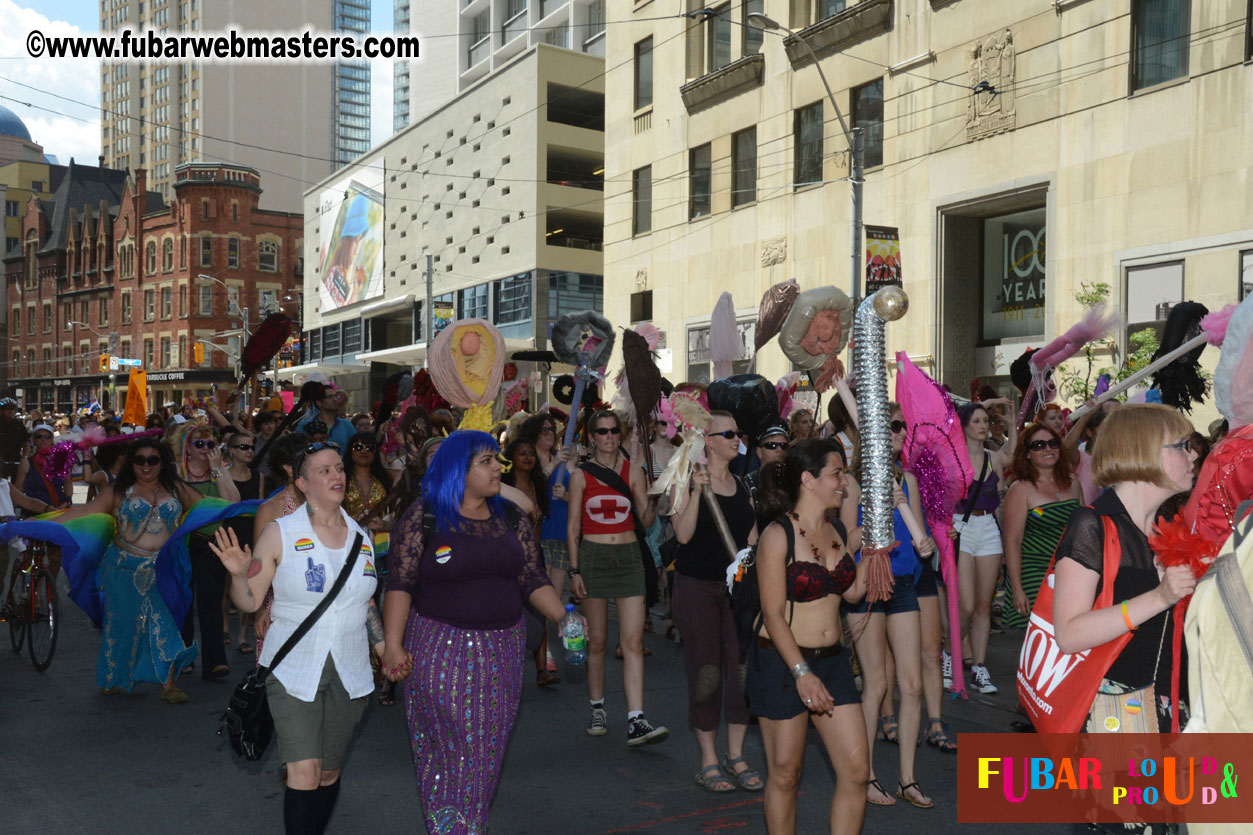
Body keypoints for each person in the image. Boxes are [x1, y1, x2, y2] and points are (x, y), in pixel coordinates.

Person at [380, 431, 566, 834]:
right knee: (448, 747)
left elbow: (532, 576)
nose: (497, 467)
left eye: (496, 459)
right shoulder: (423, 516)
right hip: (438, 647)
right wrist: (393, 645)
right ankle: (461, 827)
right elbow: (400, 583)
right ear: (457, 471)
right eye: (485, 461)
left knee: (486, 748)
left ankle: (458, 825)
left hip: (503, 648)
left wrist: (564, 617)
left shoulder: (509, 516)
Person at [210, 442, 382, 835]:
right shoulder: (280, 533)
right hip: (292, 671)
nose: (336, 475)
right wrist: (238, 573)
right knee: (303, 772)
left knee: (327, 772)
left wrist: (384, 647)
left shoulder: (362, 536)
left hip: (351, 672)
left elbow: (365, 601)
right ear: (303, 483)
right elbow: (251, 599)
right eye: (324, 470)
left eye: (339, 468)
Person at [1052, 406, 1196, 810]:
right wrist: (1160, 597)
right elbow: (1069, 633)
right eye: (1183, 446)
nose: (1194, 455)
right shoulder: (1092, 524)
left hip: (1171, 711)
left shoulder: (1168, 530)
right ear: (1144, 451)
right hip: (1115, 718)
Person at [748, 438, 869, 834]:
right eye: (836, 474)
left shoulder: (835, 530)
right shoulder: (777, 536)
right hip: (783, 662)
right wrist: (802, 672)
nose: (843, 483)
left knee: (856, 772)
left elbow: (852, 592)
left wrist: (873, 553)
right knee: (785, 773)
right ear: (808, 479)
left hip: (833, 660)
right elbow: (772, 614)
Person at [55, 440, 203, 701]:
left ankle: (168, 684)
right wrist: (40, 524)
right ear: (131, 463)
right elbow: (87, 511)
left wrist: (220, 474)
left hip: (163, 569)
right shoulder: (118, 491)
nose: (146, 465)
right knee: (122, 625)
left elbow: (207, 508)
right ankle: (114, 676)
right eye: (140, 460)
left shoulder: (176, 489)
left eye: (153, 460)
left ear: (162, 462)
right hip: (123, 568)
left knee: (165, 621)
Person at [843, 405, 935, 808]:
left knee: (911, 684)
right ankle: (865, 776)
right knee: (876, 684)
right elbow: (849, 542)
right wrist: (879, 505)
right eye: (895, 426)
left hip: (902, 584)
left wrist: (925, 544)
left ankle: (907, 779)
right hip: (866, 584)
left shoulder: (908, 480)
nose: (901, 433)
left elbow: (921, 541)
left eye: (903, 427)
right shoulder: (849, 481)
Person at [671, 412, 761, 792]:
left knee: (741, 672)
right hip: (697, 587)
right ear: (707, 440)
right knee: (707, 673)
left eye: (738, 432)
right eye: (728, 433)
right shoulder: (687, 480)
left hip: (736, 591)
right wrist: (694, 490)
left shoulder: (741, 484)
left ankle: (735, 755)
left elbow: (752, 537)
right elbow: (684, 535)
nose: (735, 438)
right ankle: (708, 760)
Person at [567, 409, 669, 745]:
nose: (609, 437)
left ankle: (636, 719)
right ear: (592, 437)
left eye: (614, 431)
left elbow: (646, 519)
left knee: (633, 643)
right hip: (594, 558)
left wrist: (656, 499)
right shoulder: (581, 475)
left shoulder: (633, 471)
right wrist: (574, 569)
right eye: (603, 431)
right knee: (596, 641)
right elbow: (573, 527)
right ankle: (597, 708)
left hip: (628, 558)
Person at [949, 399, 1013, 695]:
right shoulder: (951, 456)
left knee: (984, 605)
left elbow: (1015, 454)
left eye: (985, 421)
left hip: (988, 527)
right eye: (976, 420)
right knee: (966, 604)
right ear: (963, 425)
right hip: (960, 526)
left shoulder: (994, 458)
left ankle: (979, 666)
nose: (983, 426)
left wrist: (1012, 422)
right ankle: (950, 655)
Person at [167, 421, 240, 681]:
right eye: (199, 443)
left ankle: (215, 662)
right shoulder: (174, 472)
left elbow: (233, 503)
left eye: (210, 444)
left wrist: (218, 469)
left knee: (211, 602)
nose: (205, 448)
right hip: (181, 543)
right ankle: (184, 657)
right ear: (186, 446)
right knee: (183, 602)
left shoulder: (219, 470)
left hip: (211, 544)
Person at [1001, 422, 1082, 631]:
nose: (1047, 449)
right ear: (1027, 454)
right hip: (1034, 574)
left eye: (1052, 443)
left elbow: (1084, 530)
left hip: (1069, 572)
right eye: (1038, 445)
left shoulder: (1073, 483)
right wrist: (1017, 589)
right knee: (1039, 642)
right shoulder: (1020, 489)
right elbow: (1012, 542)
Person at [501, 436, 559, 688]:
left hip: (535, 554)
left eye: (530, 453)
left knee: (540, 611)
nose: (527, 457)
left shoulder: (538, 485)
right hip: (508, 556)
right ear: (511, 458)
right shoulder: (502, 487)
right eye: (521, 453)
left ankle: (541, 669)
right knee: (511, 610)